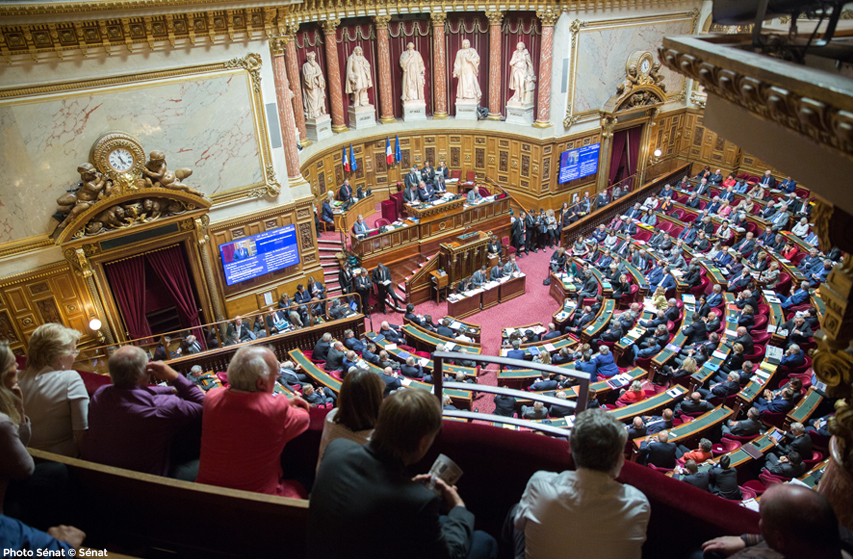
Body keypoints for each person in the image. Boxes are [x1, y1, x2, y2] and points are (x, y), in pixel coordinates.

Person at [308, 388, 497, 559]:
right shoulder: (418, 502)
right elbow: (450, 555)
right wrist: (458, 508)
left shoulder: (336, 449)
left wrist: (409, 488)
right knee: (484, 540)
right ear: (422, 443)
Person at [507, 408, 650, 559]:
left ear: (571, 449)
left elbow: (519, 525)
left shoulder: (539, 483)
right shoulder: (637, 503)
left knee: (516, 510)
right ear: (618, 460)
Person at [197, 346, 310, 498]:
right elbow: (304, 417)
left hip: (204, 497)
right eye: (275, 377)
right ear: (261, 384)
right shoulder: (275, 408)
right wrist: (285, 405)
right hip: (257, 505)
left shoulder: (211, 397)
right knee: (306, 478)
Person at [83, 346, 203, 479]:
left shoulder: (101, 394)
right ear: (147, 370)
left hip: (100, 481)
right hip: (146, 488)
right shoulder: (161, 406)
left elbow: (132, 392)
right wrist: (173, 375)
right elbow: (205, 405)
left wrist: (171, 390)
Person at [698, 485, 847, 559]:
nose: (760, 523)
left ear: (779, 539)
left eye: (763, 518)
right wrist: (747, 540)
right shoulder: (840, 535)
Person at [18, 323, 87, 457]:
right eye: (74, 351)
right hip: (64, 463)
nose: (75, 356)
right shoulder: (70, 379)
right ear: (60, 356)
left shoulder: (13, 377)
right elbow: (82, 434)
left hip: (23, 458)